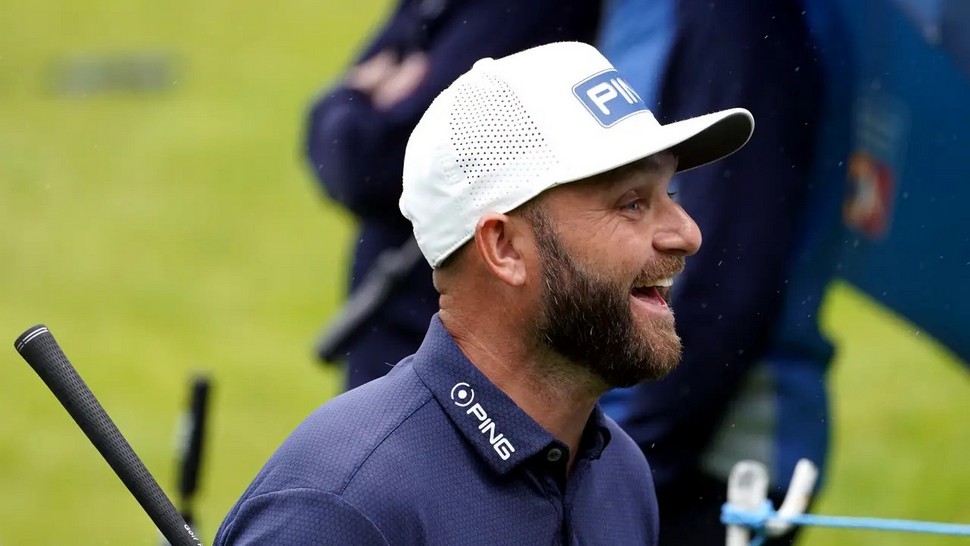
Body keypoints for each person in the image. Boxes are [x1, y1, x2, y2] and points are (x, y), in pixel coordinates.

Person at [214, 41, 754, 545]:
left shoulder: (619, 474)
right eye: (631, 203)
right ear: (504, 248)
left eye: (671, 193)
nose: (688, 233)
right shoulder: (341, 508)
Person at [595, 0, 853, 544]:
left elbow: (732, 271)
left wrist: (628, 468)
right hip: (643, 435)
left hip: (706, 461)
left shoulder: (738, 18)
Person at [304, 0, 600, 390]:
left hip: (445, 327)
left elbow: (374, 160)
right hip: (403, 320)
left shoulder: (519, 10)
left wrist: (346, 100)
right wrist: (348, 101)